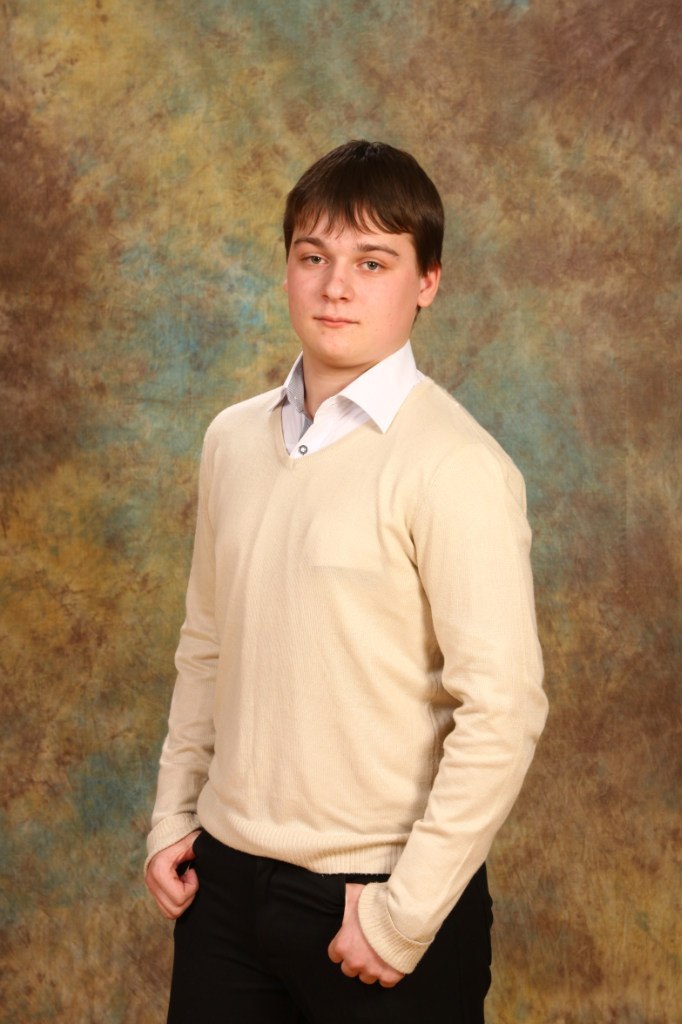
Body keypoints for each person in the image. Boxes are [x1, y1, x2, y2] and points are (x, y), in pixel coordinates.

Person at [145, 139, 548, 1023]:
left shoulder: (456, 465)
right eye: (312, 257)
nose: (335, 287)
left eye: (372, 262)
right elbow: (206, 646)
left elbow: (504, 710)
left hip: (375, 898)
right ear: (287, 269)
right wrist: (174, 815)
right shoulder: (231, 440)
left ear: (427, 281)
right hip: (223, 890)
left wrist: (403, 916)